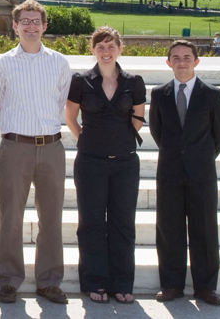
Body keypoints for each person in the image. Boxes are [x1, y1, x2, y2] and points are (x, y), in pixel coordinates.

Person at [0, 0, 72, 305]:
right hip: (15, 147)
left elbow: (61, 101)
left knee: (51, 218)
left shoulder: (59, 63)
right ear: (15, 26)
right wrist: (17, 131)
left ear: (44, 26)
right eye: (24, 21)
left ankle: (49, 281)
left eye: (35, 21)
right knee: (10, 216)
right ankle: (9, 280)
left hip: (51, 147)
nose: (30, 26)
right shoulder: (3, 63)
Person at [65, 26, 145, 304]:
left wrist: (119, 141)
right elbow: (71, 118)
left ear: (120, 48)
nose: (106, 52)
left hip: (125, 163)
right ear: (92, 50)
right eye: (100, 47)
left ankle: (122, 283)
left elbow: (137, 119)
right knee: (92, 223)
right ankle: (95, 282)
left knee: (124, 223)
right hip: (90, 163)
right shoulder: (81, 80)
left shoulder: (134, 82)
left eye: (111, 46)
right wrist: (88, 141)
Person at [150, 40, 220, 306]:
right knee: (168, 228)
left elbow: (219, 134)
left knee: (205, 228)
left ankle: (205, 287)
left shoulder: (212, 94)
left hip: (202, 172)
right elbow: (157, 132)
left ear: (196, 61)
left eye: (187, 57)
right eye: (176, 57)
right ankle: (171, 285)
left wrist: (201, 157)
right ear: (168, 62)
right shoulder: (159, 94)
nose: (181, 61)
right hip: (170, 171)